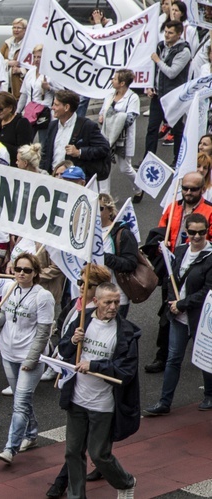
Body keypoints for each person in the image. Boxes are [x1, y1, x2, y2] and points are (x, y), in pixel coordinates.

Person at [58, 283, 140, 499]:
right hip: (77, 398)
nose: (113, 307)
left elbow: (126, 371)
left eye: (116, 302)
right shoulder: (83, 319)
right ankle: (76, 496)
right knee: (73, 452)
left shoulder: (126, 332)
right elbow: (63, 349)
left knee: (99, 454)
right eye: (108, 302)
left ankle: (126, 482)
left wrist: (94, 366)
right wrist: (72, 341)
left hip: (103, 404)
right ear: (96, 302)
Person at [45, 265, 113, 498]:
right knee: (78, 445)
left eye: (88, 285)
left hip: (97, 389)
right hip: (74, 381)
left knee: (82, 444)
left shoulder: (107, 319)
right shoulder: (75, 307)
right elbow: (64, 344)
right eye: (80, 282)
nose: (82, 288)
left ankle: (62, 482)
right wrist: (71, 343)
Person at [0, 253, 54, 464]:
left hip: (28, 358)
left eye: (27, 270)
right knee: (20, 400)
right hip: (8, 353)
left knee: (21, 403)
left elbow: (43, 332)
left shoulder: (43, 297)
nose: (21, 274)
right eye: (18, 269)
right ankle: (31, 434)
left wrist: (32, 359)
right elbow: (5, 316)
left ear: (36, 273)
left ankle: (10, 448)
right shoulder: (9, 289)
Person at [144, 213, 212, 416]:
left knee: (204, 357)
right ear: (186, 232)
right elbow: (171, 278)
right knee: (173, 358)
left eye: (202, 232)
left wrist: (182, 304)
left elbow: (208, 290)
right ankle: (164, 402)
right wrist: (173, 302)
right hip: (178, 316)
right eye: (192, 232)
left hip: (201, 318)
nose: (197, 236)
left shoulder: (210, 257)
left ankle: (209, 394)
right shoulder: (181, 250)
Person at [146, 171, 212, 374]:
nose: (188, 192)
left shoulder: (209, 211)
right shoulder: (173, 207)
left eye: (193, 189)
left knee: (197, 312)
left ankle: (203, 355)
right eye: (185, 188)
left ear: (202, 189)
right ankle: (162, 355)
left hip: (199, 268)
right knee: (168, 310)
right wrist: (161, 244)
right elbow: (161, 230)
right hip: (173, 268)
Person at [39, 89, 111, 185]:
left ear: (66, 107)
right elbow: (45, 153)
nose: (52, 108)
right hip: (53, 179)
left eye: (56, 105)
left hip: (74, 182)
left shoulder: (87, 126)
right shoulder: (52, 126)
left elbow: (104, 148)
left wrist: (79, 152)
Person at [145, 20, 191, 166]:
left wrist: (158, 60)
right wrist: (150, 85)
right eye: (165, 31)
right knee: (152, 129)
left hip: (174, 97)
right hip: (158, 95)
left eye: (170, 33)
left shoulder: (183, 51)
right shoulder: (160, 47)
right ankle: (148, 159)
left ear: (179, 34)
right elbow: (154, 71)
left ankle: (178, 160)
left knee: (177, 129)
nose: (166, 35)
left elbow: (172, 73)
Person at [99, 69, 141, 200]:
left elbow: (129, 119)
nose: (112, 80)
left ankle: (138, 187)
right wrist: (102, 117)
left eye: (115, 79)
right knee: (104, 166)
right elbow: (103, 112)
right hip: (106, 137)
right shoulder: (109, 96)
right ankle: (105, 197)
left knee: (124, 168)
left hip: (123, 139)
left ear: (122, 83)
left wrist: (112, 119)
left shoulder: (133, 98)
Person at [100, 193, 139, 319]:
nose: (95, 212)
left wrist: (104, 257)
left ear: (110, 210)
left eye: (100, 209)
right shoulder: (87, 233)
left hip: (115, 296)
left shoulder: (122, 233)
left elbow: (130, 263)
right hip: (94, 296)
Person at [17, 44, 56, 144]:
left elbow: (62, 93)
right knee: (27, 141)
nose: (36, 59)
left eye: (39, 57)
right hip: (30, 110)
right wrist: (18, 111)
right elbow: (24, 94)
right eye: (35, 57)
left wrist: (49, 88)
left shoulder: (51, 73)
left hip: (44, 111)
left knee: (43, 142)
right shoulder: (30, 72)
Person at [0, 91, 32, 163]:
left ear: (10, 108)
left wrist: (0, 144)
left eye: (0, 109)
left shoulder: (21, 123)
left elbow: (24, 151)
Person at [1, 19, 28, 100]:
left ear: (25, 30)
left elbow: (33, 65)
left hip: (19, 83)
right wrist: (8, 63)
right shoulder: (7, 43)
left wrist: (20, 70)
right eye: (14, 27)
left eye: (19, 28)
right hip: (6, 81)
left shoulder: (28, 45)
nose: (16, 30)